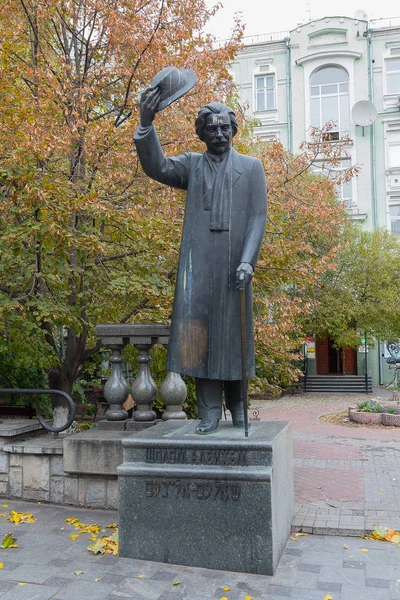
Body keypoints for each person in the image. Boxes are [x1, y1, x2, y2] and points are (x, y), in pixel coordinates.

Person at [134, 85, 267, 434]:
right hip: (198, 267)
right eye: (212, 128)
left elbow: (257, 218)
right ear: (202, 132)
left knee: (235, 338)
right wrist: (146, 124)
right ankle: (209, 411)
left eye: (225, 128)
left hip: (236, 264)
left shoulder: (252, 168)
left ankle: (239, 407)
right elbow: (158, 166)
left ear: (234, 131)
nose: (219, 134)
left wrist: (248, 262)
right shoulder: (192, 165)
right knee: (200, 338)